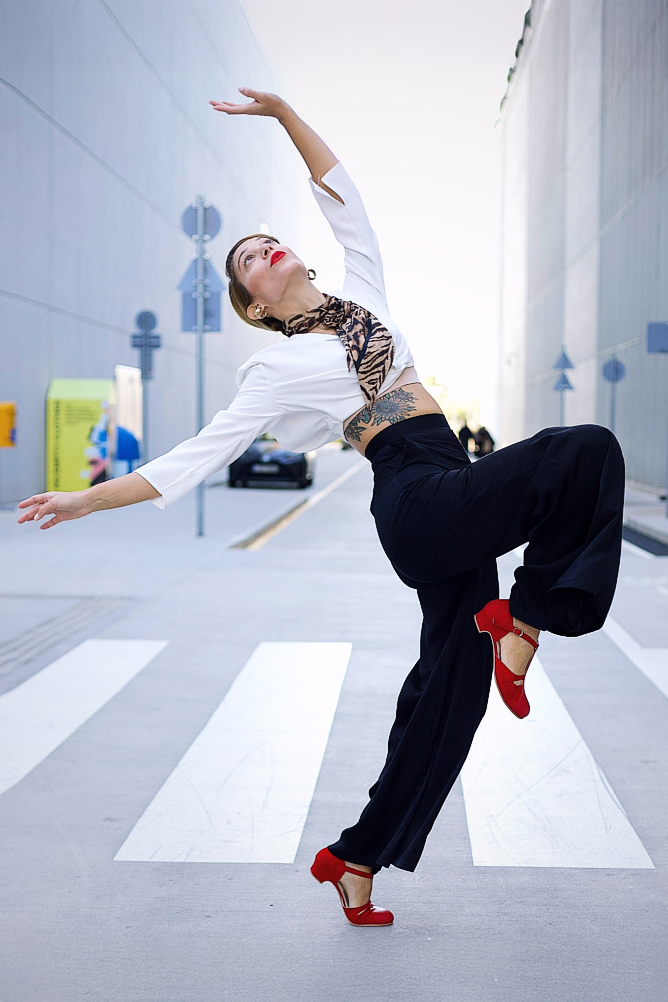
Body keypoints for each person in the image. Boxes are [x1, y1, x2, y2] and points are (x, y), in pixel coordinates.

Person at [17, 89, 625, 929]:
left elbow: (341, 192)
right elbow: (188, 461)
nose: (266, 251)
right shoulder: (271, 374)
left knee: (448, 693)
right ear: (256, 306)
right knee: (585, 450)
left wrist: (281, 115)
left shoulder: (362, 296)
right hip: (414, 493)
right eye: (248, 262)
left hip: (447, 471)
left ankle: (355, 859)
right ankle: (523, 618)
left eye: (267, 243)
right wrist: (85, 499)